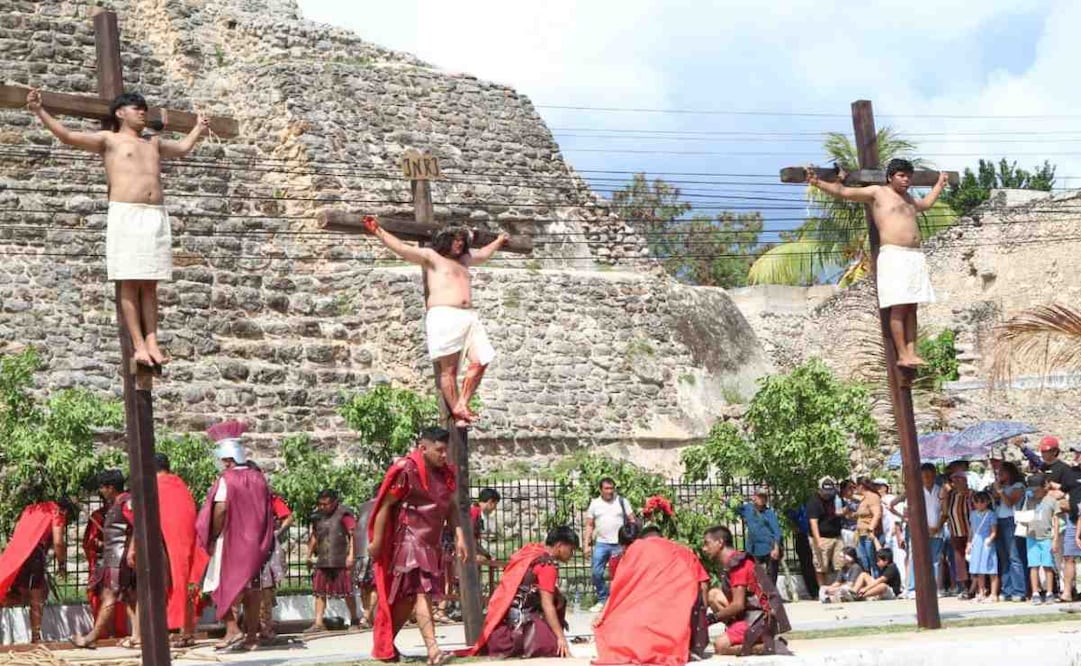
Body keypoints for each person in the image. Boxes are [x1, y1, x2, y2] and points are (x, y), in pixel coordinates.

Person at [26, 89, 209, 370]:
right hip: (127, 213)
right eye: (136, 108)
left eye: (144, 108)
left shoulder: (154, 143)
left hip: (155, 216)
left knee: (151, 283)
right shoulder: (109, 139)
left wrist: (198, 128)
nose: (142, 112)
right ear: (120, 113)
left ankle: (153, 343)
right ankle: (139, 345)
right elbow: (68, 136)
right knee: (130, 281)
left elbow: (183, 148)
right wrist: (39, 110)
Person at [363, 216, 508, 426]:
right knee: (449, 371)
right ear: (446, 240)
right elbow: (402, 249)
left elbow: (484, 254)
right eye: (455, 239)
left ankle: (462, 404)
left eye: (462, 240)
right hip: (444, 315)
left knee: (482, 359)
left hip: (469, 316)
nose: (459, 244)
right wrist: (378, 230)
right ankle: (457, 411)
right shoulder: (432, 257)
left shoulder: (465, 259)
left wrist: (499, 240)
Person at [807, 159, 949, 368]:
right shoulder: (877, 192)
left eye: (908, 176)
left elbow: (926, 204)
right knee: (899, 306)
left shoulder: (908, 198)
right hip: (894, 255)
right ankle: (902, 354)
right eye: (901, 175)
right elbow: (844, 192)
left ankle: (912, 352)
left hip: (914, 256)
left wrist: (939, 185)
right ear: (890, 177)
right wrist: (817, 182)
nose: (906, 180)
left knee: (912, 306)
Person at [369, 427, 467, 665]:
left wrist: (460, 536)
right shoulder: (407, 470)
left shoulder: (445, 474)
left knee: (407, 600)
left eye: (446, 450)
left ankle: (384, 646)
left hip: (431, 543)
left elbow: (451, 508)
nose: (444, 455)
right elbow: (385, 505)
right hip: (409, 541)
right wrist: (377, 541)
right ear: (423, 448)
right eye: (439, 450)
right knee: (422, 592)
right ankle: (434, 651)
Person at [195, 421, 275, 652]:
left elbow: (220, 509)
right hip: (257, 544)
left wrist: (213, 536)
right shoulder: (259, 478)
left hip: (231, 541)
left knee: (216, 585)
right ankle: (251, 638)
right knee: (252, 589)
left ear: (228, 459)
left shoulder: (227, 479)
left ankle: (232, 629)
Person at [593, 525, 710, 665]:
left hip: (644, 622)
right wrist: (701, 620)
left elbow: (620, 589)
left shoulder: (637, 551)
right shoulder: (682, 551)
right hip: (680, 615)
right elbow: (703, 584)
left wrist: (604, 613)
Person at [460, 526, 579, 659]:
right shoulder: (547, 567)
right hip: (521, 631)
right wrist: (561, 638)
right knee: (552, 648)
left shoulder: (531, 553)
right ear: (560, 546)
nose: (572, 554)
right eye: (571, 549)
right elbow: (547, 605)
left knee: (559, 598)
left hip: (500, 634)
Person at [703, 525, 791, 657]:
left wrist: (711, 619)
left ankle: (766, 646)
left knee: (720, 646)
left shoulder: (738, 564)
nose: (704, 549)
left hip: (760, 619)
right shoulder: (733, 561)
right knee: (713, 595)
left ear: (720, 543)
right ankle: (740, 633)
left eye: (707, 543)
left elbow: (738, 605)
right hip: (750, 614)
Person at [72, 470, 136, 648]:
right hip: (116, 556)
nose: (101, 491)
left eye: (102, 487)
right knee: (131, 597)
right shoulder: (118, 503)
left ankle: (91, 637)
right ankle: (137, 636)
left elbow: (138, 525)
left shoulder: (125, 502)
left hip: (119, 557)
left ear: (110, 488)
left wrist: (131, 550)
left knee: (109, 595)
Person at [151, 453, 207, 648]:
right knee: (185, 579)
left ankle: (180, 630)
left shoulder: (157, 486)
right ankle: (186, 630)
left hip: (170, 542)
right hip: (185, 540)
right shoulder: (179, 484)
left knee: (177, 580)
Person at [0, 499, 73, 643]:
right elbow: (58, 542)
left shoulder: (31, 509)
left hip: (16, 553)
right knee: (37, 597)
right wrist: (62, 564)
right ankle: (36, 639)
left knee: (18, 595)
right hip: (34, 556)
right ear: (65, 511)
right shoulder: (57, 511)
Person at [306, 489, 360, 632]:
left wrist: (351, 556)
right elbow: (314, 536)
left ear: (335, 502)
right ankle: (318, 623)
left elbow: (353, 534)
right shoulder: (317, 516)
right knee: (319, 592)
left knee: (347, 592)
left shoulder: (344, 514)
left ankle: (354, 619)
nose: (322, 507)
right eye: (320, 504)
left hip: (340, 559)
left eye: (326, 504)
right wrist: (309, 555)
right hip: (323, 559)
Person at [583, 478, 636, 612]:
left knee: (620, 574)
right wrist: (586, 544)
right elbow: (589, 525)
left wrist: (632, 540)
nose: (609, 491)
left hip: (619, 544)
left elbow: (632, 520)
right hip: (602, 543)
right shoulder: (595, 504)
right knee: (596, 572)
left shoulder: (622, 501)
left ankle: (619, 601)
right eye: (606, 488)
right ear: (600, 490)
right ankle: (603, 599)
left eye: (611, 488)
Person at [895, 463, 945, 597]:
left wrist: (938, 527)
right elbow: (909, 513)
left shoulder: (940, 491)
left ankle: (934, 588)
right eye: (924, 476)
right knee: (916, 559)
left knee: (935, 561)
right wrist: (922, 526)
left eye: (930, 475)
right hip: (919, 531)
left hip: (937, 530)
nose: (927, 478)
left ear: (934, 475)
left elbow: (944, 511)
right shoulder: (915, 492)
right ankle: (912, 589)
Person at [992, 461, 1028, 601]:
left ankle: (1019, 590)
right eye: (998, 472)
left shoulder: (1018, 486)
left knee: (1014, 556)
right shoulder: (1001, 486)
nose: (999, 474)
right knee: (1004, 557)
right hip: (999, 521)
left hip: (1011, 521)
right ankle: (1007, 589)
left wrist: (1001, 491)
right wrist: (997, 489)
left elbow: (1009, 502)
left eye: (1002, 471)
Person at [262, 492, 295, 640]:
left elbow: (289, 518)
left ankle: (266, 628)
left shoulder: (271, 499)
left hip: (267, 551)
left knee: (266, 589)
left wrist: (275, 534)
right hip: (246, 547)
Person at [1021, 474, 1057, 604]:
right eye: (1032, 490)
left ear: (1044, 487)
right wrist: (1022, 519)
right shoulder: (1029, 500)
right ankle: (1035, 592)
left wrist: (1055, 539)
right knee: (1033, 565)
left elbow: (1055, 520)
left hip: (1046, 537)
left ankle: (1049, 592)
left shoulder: (1051, 500)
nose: (1034, 492)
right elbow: (1024, 515)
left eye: (1037, 489)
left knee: (1047, 565)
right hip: (1032, 537)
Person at [738, 487, 783, 583]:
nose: (762, 499)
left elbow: (776, 532)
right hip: (753, 548)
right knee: (752, 574)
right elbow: (734, 507)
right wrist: (722, 499)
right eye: (759, 496)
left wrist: (776, 549)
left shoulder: (769, 513)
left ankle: (770, 591)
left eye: (764, 497)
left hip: (768, 548)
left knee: (771, 576)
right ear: (754, 497)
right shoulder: (748, 509)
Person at [806, 477, 844, 586]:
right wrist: (818, 541)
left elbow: (843, 511)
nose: (828, 494)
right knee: (821, 566)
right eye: (825, 491)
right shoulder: (814, 502)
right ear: (820, 490)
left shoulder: (836, 499)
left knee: (840, 563)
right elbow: (813, 522)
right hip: (822, 537)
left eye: (830, 491)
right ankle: (822, 588)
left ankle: (837, 587)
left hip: (837, 536)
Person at [940, 471, 972, 598]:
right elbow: (945, 511)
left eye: (959, 480)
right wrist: (944, 496)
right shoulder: (951, 495)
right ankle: (964, 587)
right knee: (959, 560)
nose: (956, 483)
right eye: (954, 480)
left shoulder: (971, 493)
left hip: (970, 531)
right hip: (955, 530)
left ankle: (975, 586)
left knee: (971, 559)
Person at [967, 491, 999, 603]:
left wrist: (990, 539)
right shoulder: (972, 514)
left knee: (991, 568)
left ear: (987, 502)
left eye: (982, 502)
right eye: (976, 502)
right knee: (979, 569)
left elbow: (994, 531)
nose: (979, 504)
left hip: (986, 544)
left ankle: (994, 594)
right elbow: (971, 530)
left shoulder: (991, 514)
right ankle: (981, 593)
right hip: (976, 544)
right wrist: (969, 543)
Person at [353, 499, 377, 630]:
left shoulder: (363, 507)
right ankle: (368, 616)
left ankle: (367, 616)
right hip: (370, 550)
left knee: (367, 586)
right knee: (371, 586)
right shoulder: (384, 505)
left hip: (363, 550)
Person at [854, 478, 883, 577]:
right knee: (864, 561)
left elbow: (877, 514)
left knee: (873, 560)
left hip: (869, 534)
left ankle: (876, 580)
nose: (855, 489)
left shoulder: (873, 497)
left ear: (861, 486)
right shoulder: (863, 498)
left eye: (856, 486)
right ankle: (868, 581)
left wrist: (871, 529)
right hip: (860, 533)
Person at [471, 488, 501, 561]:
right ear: (490, 502)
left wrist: (487, 555)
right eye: (495, 504)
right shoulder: (474, 512)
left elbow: (473, 539)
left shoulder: (477, 512)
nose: (495, 508)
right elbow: (466, 536)